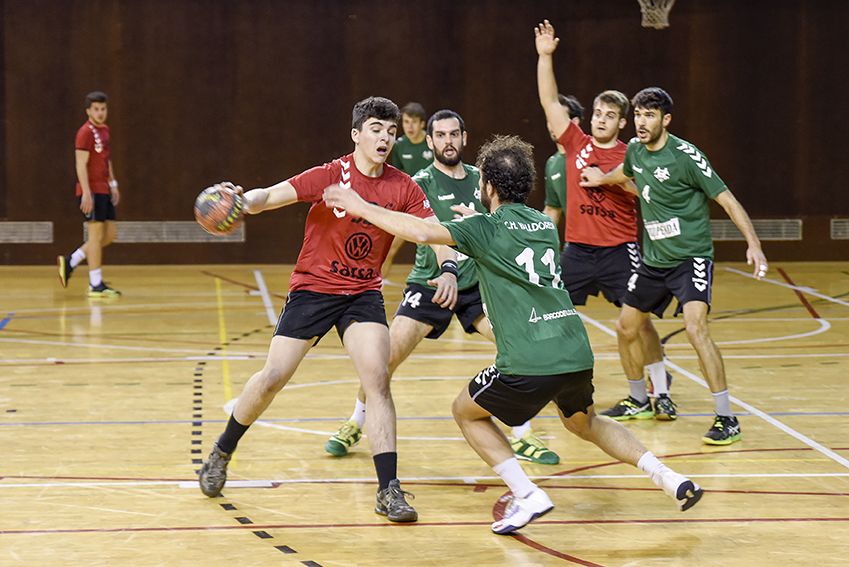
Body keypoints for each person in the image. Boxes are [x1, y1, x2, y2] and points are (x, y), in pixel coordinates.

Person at [322, 134, 703, 535]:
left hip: (528, 357)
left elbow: (420, 232)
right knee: (584, 423)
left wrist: (360, 205)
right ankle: (667, 476)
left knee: (465, 412)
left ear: (486, 185)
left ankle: (527, 495)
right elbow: (506, 238)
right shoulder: (542, 224)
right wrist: (476, 220)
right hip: (575, 350)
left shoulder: (482, 228)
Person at [198, 97, 453, 523]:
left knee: (378, 379)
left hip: (362, 294)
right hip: (314, 290)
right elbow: (272, 195)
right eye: (376, 129)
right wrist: (245, 202)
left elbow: (433, 232)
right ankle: (222, 450)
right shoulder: (331, 175)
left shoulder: (404, 187)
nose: (385, 138)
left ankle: (388, 489)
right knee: (273, 377)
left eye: (390, 132)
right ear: (356, 135)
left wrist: (447, 268)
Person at [325, 110, 560, 465]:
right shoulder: (418, 182)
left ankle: (523, 432)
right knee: (384, 360)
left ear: (464, 138)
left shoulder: (486, 181)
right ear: (430, 141)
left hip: (477, 286)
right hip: (429, 283)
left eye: (454, 134)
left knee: (514, 349)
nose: (448, 141)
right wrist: (377, 274)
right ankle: (355, 421)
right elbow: (399, 233)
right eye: (441, 135)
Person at [581, 86, 768, 445]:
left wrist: (754, 244)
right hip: (654, 261)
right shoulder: (635, 150)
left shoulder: (686, 156)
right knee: (625, 327)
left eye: (649, 115)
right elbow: (626, 173)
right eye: (637, 114)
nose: (641, 121)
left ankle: (726, 417)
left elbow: (727, 200)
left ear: (666, 120)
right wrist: (601, 178)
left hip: (690, 258)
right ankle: (639, 399)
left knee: (696, 329)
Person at [534, 20, 675, 420]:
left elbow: (644, 193)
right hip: (577, 250)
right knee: (548, 309)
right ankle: (551, 381)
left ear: (622, 123)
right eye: (596, 113)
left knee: (638, 324)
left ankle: (658, 390)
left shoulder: (633, 154)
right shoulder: (575, 143)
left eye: (609, 115)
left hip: (620, 251)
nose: (599, 119)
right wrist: (546, 57)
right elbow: (549, 103)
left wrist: (608, 180)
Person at [57, 91, 122, 297]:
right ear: (88, 111)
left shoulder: (105, 131)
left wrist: (113, 183)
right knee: (95, 237)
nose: (100, 112)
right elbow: (80, 164)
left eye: (103, 109)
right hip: (91, 190)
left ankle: (71, 261)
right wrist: (85, 192)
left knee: (110, 235)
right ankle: (95, 284)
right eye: (96, 109)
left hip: (104, 189)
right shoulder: (84, 132)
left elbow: (106, 159)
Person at [383, 102, 434, 282]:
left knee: (442, 247)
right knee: (390, 245)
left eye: (413, 122)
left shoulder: (432, 142)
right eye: (405, 122)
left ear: (422, 124)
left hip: (435, 203)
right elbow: (397, 175)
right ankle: (376, 285)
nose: (409, 127)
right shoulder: (399, 145)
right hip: (410, 204)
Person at [541, 94, 583, 228]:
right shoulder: (552, 163)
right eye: (550, 119)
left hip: (606, 241)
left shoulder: (589, 152)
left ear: (575, 122)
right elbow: (552, 210)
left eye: (558, 119)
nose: (553, 124)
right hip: (576, 243)